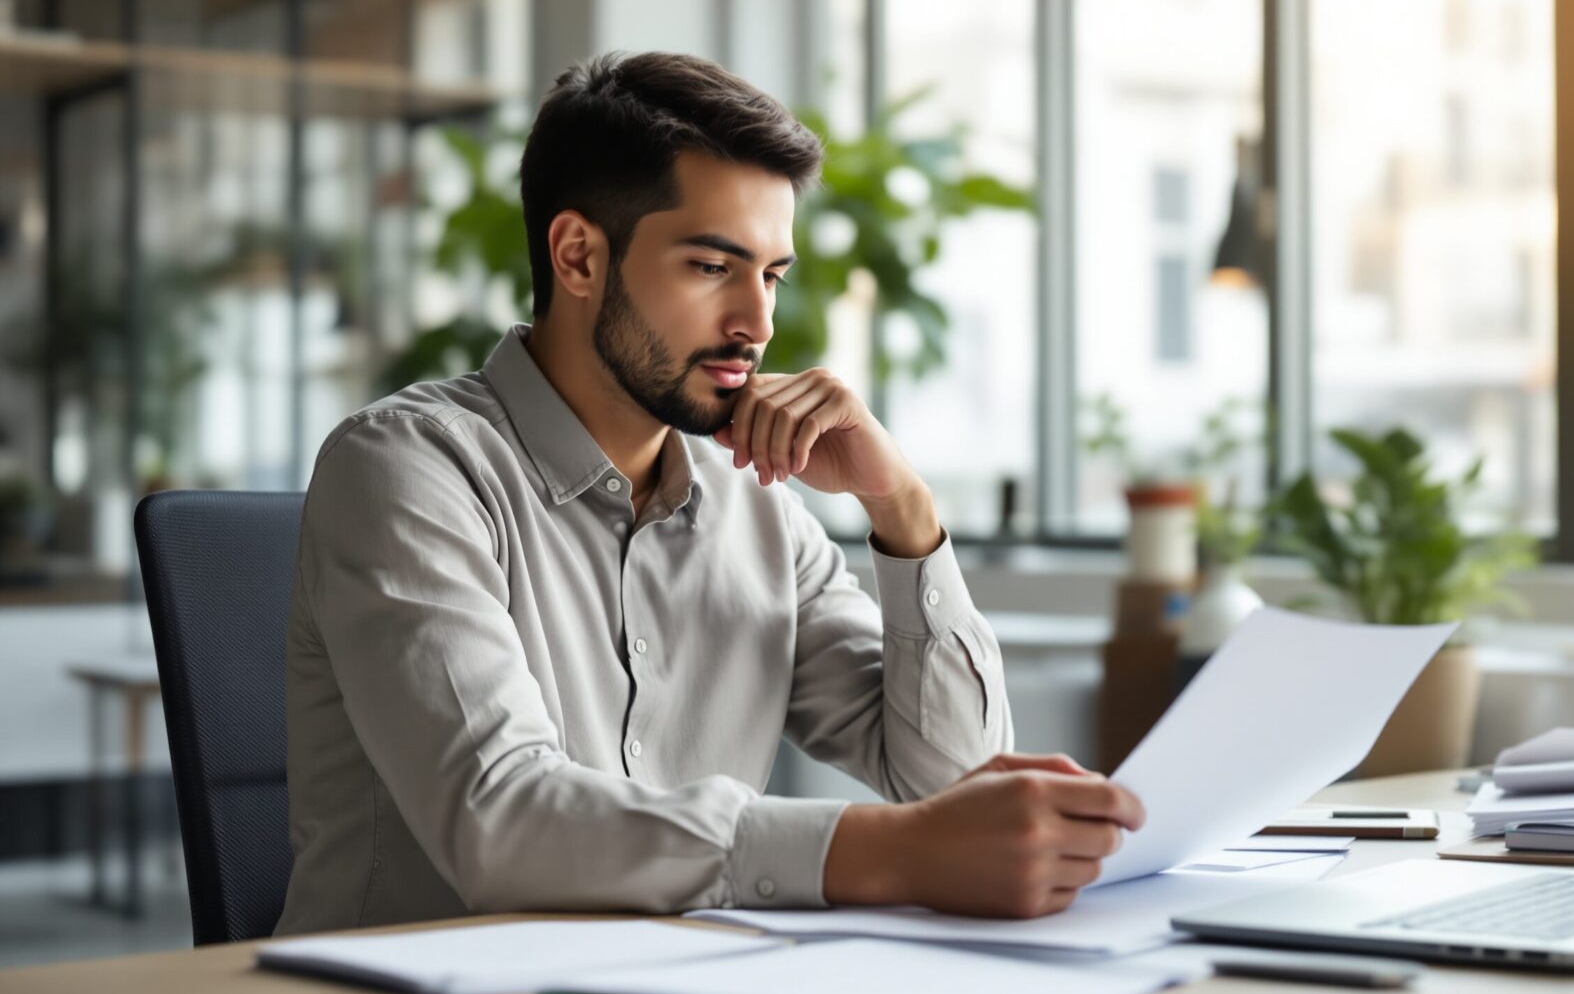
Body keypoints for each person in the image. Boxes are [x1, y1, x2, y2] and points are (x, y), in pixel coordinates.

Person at [274, 51, 1144, 936]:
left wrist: (903, 510)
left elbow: (952, 783)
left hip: (673, 985)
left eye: (771, 275)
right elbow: (501, 821)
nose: (757, 324)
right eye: (711, 267)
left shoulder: (755, 506)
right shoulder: (406, 469)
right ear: (578, 256)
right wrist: (893, 850)